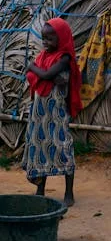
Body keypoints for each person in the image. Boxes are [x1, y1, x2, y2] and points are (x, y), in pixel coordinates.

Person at [23, 17, 83, 207]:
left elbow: (45, 74)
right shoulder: (44, 56)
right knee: (40, 148)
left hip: (56, 114)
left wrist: (33, 67)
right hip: (39, 113)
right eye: (44, 38)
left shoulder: (64, 58)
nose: (46, 42)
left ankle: (69, 192)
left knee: (64, 148)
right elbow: (36, 77)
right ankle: (40, 189)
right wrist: (41, 73)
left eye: (50, 38)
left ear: (62, 37)